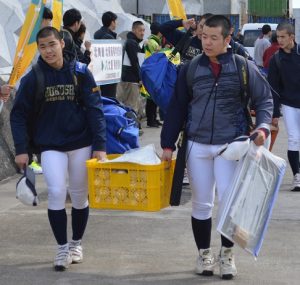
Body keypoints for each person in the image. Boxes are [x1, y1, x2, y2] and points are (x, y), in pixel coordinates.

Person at [161, 15, 273, 280]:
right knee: (201, 204)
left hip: (230, 147)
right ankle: (204, 254)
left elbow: (265, 100)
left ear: (227, 37)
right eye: (203, 37)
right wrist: (167, 143)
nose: (207, 43)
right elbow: (177, 107)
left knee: (229, 204)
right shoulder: (189, 69)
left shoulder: (244, 67)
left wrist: (263, 127)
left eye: (213, 38)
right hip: (196, 146)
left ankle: (226, 254)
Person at [10, 26, 106, 271]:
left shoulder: (81, 73)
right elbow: (18, 115)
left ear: (62, 44)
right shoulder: (33, 78)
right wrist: (21, 148)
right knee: (55, 191)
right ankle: (62, 247)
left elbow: (95, 110)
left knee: (79, 195)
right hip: (50, 145)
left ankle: (76, 243)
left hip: (81, 144)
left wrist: (100, 146)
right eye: (43, 47)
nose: (48, 51)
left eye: (52, 45)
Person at [268, 22, 300, 191]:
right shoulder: (276, 60)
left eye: (282, 37)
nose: (279, 40)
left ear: (291, 37)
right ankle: (297, 176)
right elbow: (273, 88)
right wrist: (274, 114)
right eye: (277, 37)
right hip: (289, 105)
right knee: (294, 139)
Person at [117, 21, 145, 116]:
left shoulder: (133, 42)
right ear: (134, 30)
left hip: (130, 78)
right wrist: (140, 78)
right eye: (140, 30)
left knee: (131, 104)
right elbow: (135, 62)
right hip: (131, 80)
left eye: (143, 30)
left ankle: (132, 126)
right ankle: (132, 127)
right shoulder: (132, 43)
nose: (142, 33)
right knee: (131, 105)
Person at [94, 11, 118, 98]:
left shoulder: (97, 34)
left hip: (98, 71)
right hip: (109, 73)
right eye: (115, 21)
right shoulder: (109, 37)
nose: (116, 23)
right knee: (109, 98)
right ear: (112, 22)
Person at [144, 22, 163, 128]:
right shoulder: (153, 42)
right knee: (151, 98)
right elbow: (157, 57)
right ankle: (151, 120)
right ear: (159, 32)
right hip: (152, 73)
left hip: (152, 72)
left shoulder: (152, 41)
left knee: (153, 97)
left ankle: (153, 119)